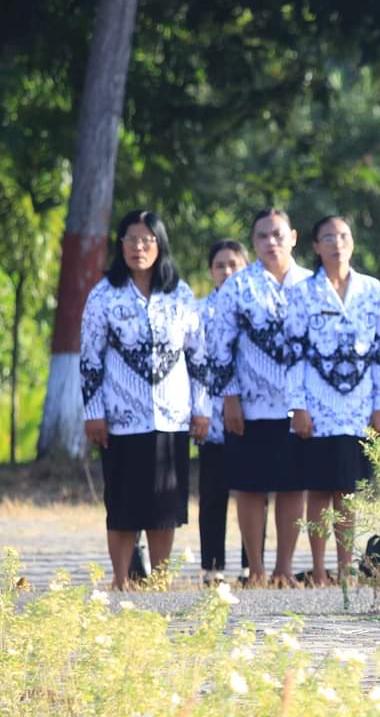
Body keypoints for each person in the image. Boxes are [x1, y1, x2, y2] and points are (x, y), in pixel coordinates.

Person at [80, 210, 210, 590]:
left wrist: (201, 409)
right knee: (122, 503)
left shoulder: (179, 294)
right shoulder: (104, 295)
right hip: (121, 418)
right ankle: (120, 579)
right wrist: (93, 414)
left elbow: (198, 356)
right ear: (120, 246)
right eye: (131, 239)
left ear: (160, 245)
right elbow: (89, 359)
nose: (139, 247)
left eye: (147, 239)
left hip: (170, 417)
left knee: (164, 506)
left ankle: (161, 581)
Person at [285, 216, 380, 587]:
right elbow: (293, 353)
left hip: (359, 404)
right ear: (315, 246)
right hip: (316, 404)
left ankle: (346, 568)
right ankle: (318, 569)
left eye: (343, 235)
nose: (336, 243)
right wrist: (296, 406)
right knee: (318, 490)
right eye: (328, 237)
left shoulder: (371, 288)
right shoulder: (302, 292)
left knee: (348, 491)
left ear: (353, 241)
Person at [207, 208, 312, 587]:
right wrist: (229, 397)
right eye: (262, 236)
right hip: (249, 404)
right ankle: (257, 569)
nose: (271, 242)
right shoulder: (239, 287)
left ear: (294, 237)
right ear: (253, 243)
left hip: (298, 405)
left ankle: (285, 568)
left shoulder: (310, 284)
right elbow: (218, 346)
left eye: (278, 234)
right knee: (250, 486)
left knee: (292, 485)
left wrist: (308, 403)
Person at [197, 239, 262, 583]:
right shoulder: (198, 311)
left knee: (252, 492)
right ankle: (212, 567)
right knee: (213, 493)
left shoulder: (256, 308)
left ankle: (252, 565)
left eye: (234, 264)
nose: (227, 271)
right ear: (210, 271)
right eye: (220, 265)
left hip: (249, 413)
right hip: (211, 417)